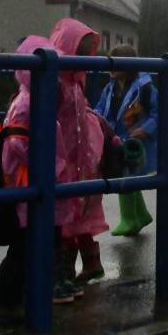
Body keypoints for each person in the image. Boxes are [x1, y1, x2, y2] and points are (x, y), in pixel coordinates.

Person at [0, 35, 82, 328]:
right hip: (29, 184)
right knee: (23, 248)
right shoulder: (25, 103)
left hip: (42, 183)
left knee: (42, 244)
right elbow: (17, 143)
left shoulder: (40, 99)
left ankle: (27, 301)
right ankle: (8, 306)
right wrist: (53, 166)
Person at [50, 17, 110, 283]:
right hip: (66, 157)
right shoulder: (59, 80)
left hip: (81, 157)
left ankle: (78, 268)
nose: (86, 58)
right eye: (81, 52)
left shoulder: (75, 80)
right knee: (70, 213)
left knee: (79, 212)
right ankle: (77, 267)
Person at [95, 43, 157, 236]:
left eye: (115, 63)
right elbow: (100, 109)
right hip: (117, 139)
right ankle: (141, 214)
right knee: (126, 175)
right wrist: (94, 119)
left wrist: (145, 129)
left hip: (137, 141)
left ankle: (129, 218)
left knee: (126, 177)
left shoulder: (145, 89)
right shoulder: (110, 89)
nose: (111, 68)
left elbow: (159, 112)